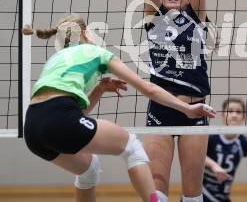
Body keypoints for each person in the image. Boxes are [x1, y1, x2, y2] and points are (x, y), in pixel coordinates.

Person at [22, 14, 215, 202]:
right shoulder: (97, 52)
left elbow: (71, 119)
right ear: (85, 33)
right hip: (58, 115)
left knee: (89, 169)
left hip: (32, 127)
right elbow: (148, 89)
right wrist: (186, 108)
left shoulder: (56, 59)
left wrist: (98, 89)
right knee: (132, 147)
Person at [135, 0, 210, 202]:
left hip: (196, 110)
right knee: (157, 185)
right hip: (161, 111)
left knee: (192, 191)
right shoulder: (152, 19)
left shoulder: (197, 18)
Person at [202, 98, 247, 202]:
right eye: (230, 111)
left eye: (238, 111)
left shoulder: (244, 142)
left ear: (243, 117)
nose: (234, 115)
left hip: (222, 197)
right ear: (223, 115)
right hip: (202, 194)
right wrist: (214, 166)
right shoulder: (211, 137)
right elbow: (195, 156)